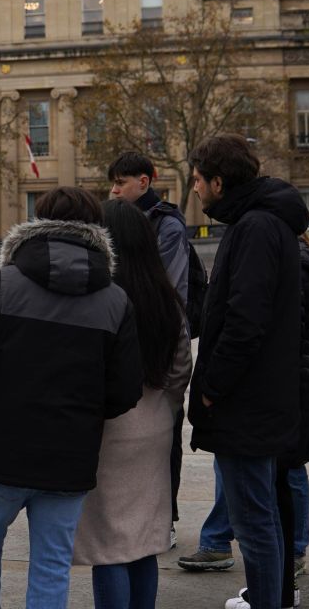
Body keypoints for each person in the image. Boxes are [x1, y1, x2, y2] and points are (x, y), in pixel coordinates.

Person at [0, 186, 144, 609]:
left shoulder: (5, 283)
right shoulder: (115, 299)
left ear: (38, 223)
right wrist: (89, 413)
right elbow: (128, 387)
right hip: (71, 453)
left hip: (5, 446)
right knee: (52, 562)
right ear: (96, 229)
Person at [185, 134, 308, 609]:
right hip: (264, 398)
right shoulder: (265, 223)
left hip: (246, 404)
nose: (195, 189)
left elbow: (245, 320)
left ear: (219, 181)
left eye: (198, 180)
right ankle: (272, 597)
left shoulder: (255, 227)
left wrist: (214, 387)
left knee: (255, 521)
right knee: (267, 514)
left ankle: (267, 601)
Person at [73, 200, 192, 609]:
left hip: (109, 430)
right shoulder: (168, 299)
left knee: (108, 547)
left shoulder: (99, 299)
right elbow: (181, 369)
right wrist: (164, 409)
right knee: (144, 542)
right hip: (156, 424)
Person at [109, 151, 190, 547]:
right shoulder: (117, 220)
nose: (114, 189)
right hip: (128, 334)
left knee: (164, 435)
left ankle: (165, 518)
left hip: (155, 336)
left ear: (145, 180)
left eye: (121, 181)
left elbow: (167, 289)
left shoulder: (167, 223)